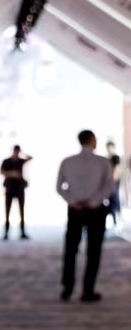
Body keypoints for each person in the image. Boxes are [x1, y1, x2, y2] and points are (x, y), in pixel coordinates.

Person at [56, 129, 116, 302]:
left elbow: (60, 187)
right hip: (96, 210)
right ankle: (88, 291)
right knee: (94, 250)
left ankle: (67, 289)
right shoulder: (102, 162)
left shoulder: (67, 161)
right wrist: (94, 201)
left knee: (70, 249)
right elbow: (109, 187)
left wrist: (73, 201)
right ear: (91, 140)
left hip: (75, 210)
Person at [0, 145, 31, 239]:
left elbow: (30, 158)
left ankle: (22, 232)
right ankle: (6, 232)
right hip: (10, 188)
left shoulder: (20, 161)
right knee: (7, 211)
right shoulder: (7, 161)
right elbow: (1, 171)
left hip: (20, 188)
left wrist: (23, 153)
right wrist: (12, 174)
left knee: (21, 211)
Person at [105, 141, 122, 229]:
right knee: (110, 200)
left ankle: (115, 218)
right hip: (108, 182)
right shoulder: (106, 158)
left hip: (115, 181)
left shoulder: (116, 157)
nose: (109, 149)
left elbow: (117, 170)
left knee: (114, 200)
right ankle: (113, 218)